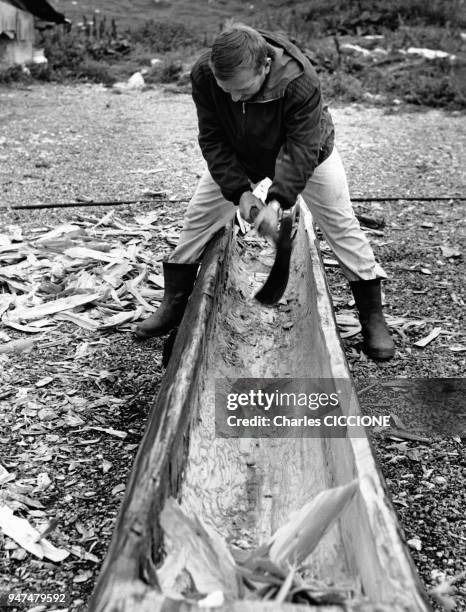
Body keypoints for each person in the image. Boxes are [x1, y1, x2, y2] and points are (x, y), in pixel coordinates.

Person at [135, 24, 395, 361]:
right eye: (225, 89)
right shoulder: (203, 74)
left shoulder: (300, 81)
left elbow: (302, 149)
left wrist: (277, 200)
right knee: (197, 220)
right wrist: (239, 192)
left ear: (266, 67)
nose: (233, 98)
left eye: (243, 90)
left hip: (309, 152)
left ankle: (373, 317)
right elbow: (212, 137)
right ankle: (173, 306)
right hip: (241, 154)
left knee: (341, 225)